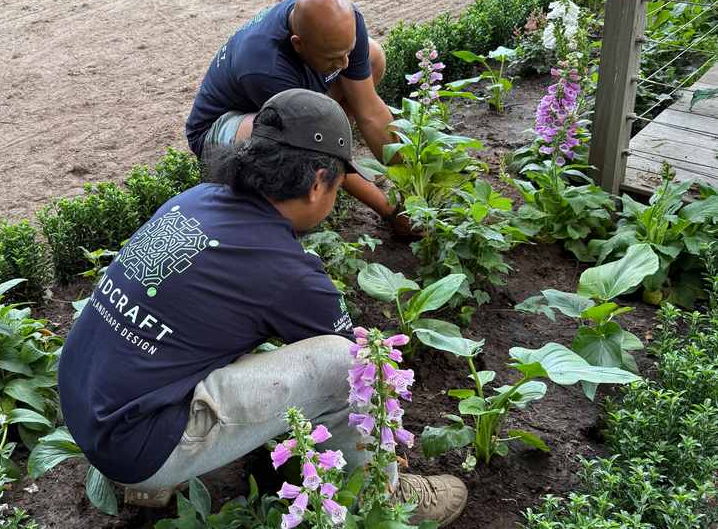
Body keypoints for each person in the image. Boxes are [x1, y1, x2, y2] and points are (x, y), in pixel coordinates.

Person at [59, 89, 467, 526]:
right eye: (339, 185)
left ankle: (153, 478)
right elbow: (361, 374)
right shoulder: (287, 273)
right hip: (136, 443)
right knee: (344, 364)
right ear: (316, 183)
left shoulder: (195, 200)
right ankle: (384, 493)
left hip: (85, 400)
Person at [185, 0, 406, 232]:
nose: (344, 62)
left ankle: (334, 150)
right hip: (221, 129)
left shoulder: (345, 21)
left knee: (372, 56)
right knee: (301, 149)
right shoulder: (265, 67)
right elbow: (316, 145)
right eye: (333, 56)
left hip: (290, 97)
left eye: (348, 51)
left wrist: (413, 181)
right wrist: (391, 211)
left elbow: (371, 112)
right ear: (298, 44)